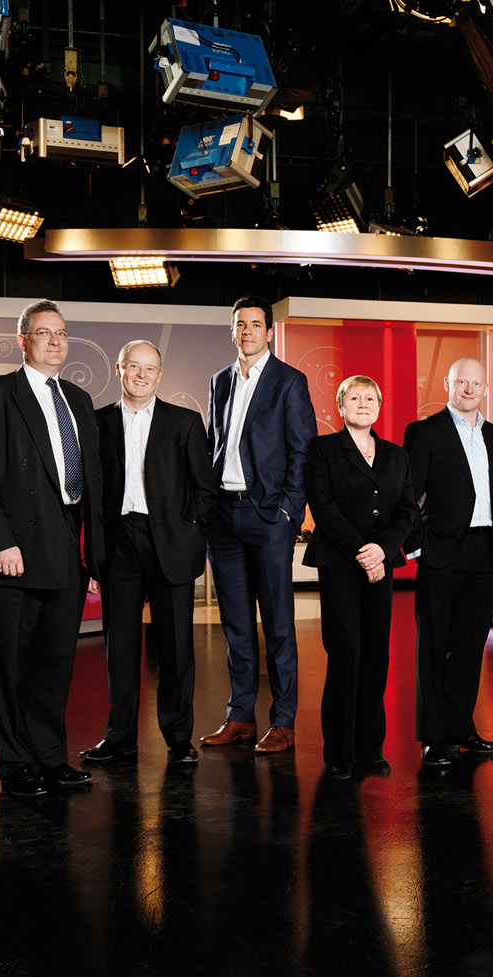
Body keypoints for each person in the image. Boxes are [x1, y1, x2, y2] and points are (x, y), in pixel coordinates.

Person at [0, 299, 104, 796]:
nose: (55, 341)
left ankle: (49, 756)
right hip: (15, 550)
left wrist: (96, 553)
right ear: (23, 341)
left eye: (62, 333)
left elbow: (94, 484)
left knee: (55, 660)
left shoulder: (80, 400)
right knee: (13, 664)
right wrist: (0, 541)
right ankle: (16, 763)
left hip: (67, 545)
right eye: (44, 333)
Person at [83, 340, 217, 766]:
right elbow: (90, 492)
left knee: (177, 649)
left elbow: (205, 489)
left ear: (160, 376)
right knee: (118, 648)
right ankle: (120, 736)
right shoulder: (97, 422)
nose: (142, 375)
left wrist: (187, 531)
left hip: (170, 545)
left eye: (151, 368)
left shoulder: (186, 423)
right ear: (119, 369)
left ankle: (179, 738)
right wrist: (94, 553)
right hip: (119, 543)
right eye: (134, 366)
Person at [200, 296, 317, 755]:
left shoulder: (289, 381)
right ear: (232, 331)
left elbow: (302, 452)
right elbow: (215, 444)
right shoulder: (219, 381)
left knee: (279, 624)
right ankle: (240, 716)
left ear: (269, 332)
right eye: (240, 324)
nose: (247, 331)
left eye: (255, 324)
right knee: (235, 624)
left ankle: (283, 721)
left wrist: (288, 512)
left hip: (269, 516)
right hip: (223, 518)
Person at [403, 357, 493, 769]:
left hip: (486, 553)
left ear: (486, 389)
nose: (469, 389)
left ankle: (460, 728)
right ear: (448, 384)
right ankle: (433, 737)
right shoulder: (425, 432)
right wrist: (418, 547)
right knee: (434, 647)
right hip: (442, 553)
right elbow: (406, 494)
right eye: (461, 382)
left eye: (477, 383)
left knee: (469, 648)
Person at [303, 376, 417, 779]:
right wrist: (363, 553)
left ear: (379, 407)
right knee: (345, 653)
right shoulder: (323, 449)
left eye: (371, 398)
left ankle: (370, 749)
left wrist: (383, 550)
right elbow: (324, 506)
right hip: (339, 564)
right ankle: (339, 753)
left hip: (382, 564)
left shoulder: (396, 454)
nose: (363, 403)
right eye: (355, 397)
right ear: (341, 405)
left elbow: (407, 510)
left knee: (376, 657)